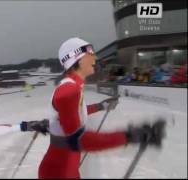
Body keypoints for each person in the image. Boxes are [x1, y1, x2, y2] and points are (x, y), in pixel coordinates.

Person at [38, 37, 165, 179]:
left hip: (67, 170)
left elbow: (75, 113)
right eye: (90, 53)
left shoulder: (73, 87)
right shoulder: (68, 90)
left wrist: (100, 106)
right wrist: (130, 136)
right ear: (77, 60)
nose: (95, 57)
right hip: (58, 173)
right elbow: (79, 140)